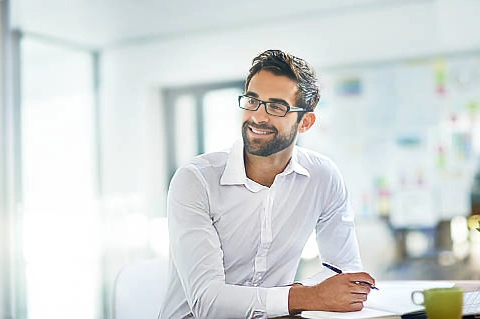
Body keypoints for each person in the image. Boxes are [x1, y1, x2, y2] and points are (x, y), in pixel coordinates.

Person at [160, 49, 374, 319]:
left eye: (276, 107)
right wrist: (309, 296)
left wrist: (307, 296)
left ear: (305, 122)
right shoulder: (196, 180)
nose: (258, 117)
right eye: (252, 101)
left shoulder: (323, 176)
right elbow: (208, 302)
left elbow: (346, 276)